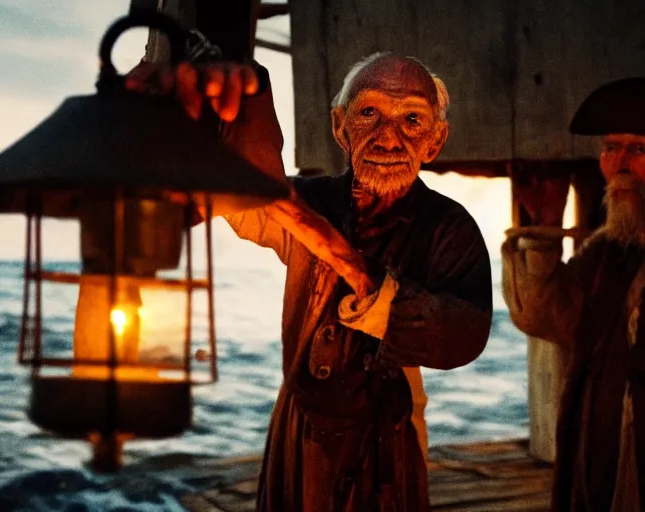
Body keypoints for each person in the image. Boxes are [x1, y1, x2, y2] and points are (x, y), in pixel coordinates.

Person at [128, 50, 492, 510]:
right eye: (369, 113)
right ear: (341, 127)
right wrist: (246, 89)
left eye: (412, 119)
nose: (388, 137)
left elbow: (467, 333)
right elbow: (244, 198)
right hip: (299, 428)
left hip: (388, 428)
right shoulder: (309, 199)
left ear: (435, 142)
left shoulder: (448, 226)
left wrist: (368, 285)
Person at [502, 77, 645, 511]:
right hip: (604, 462)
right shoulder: (610, 252)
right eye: (612, 147)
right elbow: (544, 318)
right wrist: (544, 228)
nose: (619, 164)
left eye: (640, 149)